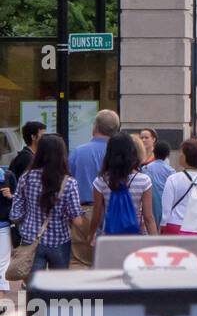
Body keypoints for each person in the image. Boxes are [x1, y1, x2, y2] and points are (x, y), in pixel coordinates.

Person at [9, 134, 84, 275]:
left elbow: (15, 213)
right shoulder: (69, 182)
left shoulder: (26, 178)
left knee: (35, 288)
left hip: (31, 239)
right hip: (60, 240)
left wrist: (25, 225)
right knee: (59, 287)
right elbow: (76, 219)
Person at [68, 108, 119, 267]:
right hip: (114, 213)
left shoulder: (78, 152)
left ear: (95, 127)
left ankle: (84, 293)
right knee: (110, 263)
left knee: (80, 262)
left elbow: (67, 183)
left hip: (83, 213)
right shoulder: (120, 153)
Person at [90, 133, 157, 239]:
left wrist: (91, 234)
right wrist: (155, 242)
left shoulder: (100, 181)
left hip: (110, 238)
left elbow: (97, 216)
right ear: (132, 152)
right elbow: (148, 217)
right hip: (136, 237)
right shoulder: (144, 180)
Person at [159, 139, 197, 235]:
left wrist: (163, 224)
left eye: (181, 153)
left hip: (175, 225)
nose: (179, 155)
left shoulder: (173, 179)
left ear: (186, 157)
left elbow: (166, 207)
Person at [144, 139, 174, 225]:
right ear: (168, 154)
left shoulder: (146, 168)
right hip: (165, 204)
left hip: (150, 203)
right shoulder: (171, 171)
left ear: (154, 152)